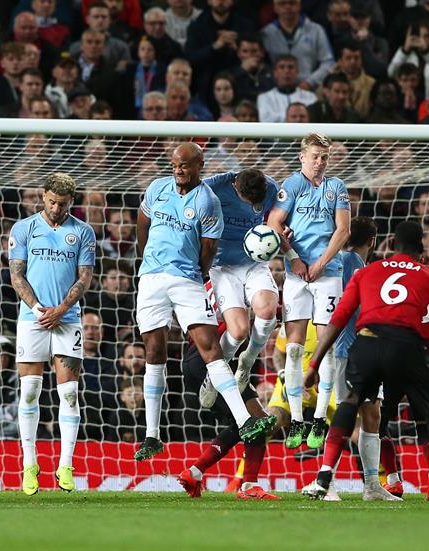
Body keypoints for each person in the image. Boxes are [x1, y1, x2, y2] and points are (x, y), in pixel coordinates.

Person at [303, 221, 429, 510]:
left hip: (367, 345)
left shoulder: (366, 272)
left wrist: (314, 362)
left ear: (391, 245)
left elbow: (340, 317)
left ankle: (325, 473)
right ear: (421, 248)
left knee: (352, 402)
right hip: (408, 349)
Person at [134, 142, 276, 461]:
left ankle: (245, 419)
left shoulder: (209, 201)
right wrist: (146, 260)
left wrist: (195, 275)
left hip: (187, 280)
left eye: (184, 165)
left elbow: (208, 250)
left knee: (210, 347)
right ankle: (152, 435)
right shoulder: (157, 188)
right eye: (174, 165)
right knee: (154, 352)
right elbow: (143, 223)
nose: (178, 170)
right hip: (152, 279)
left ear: (200, 165)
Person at [299, 216, 399, 502]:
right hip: (349, 351)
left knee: (371, 414)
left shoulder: (340, 263)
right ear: (373, 240)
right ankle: (326, 482)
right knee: (348, 416)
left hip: (353, 350)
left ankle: (371, 486)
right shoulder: (353, 264)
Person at [8, 173, 96, 495]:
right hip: (32, 320)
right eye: (52, 202)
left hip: (68, 318)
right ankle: (29, 464)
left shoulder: (83, 233)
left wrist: (60, 309)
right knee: (29, 391)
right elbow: (17, 277)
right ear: (43, 196)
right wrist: (37, 310)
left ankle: (65, 465)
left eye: (63, 204)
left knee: (69, 394)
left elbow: (84, 279)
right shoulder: (23, 229)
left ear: (72, 202)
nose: (57, 208)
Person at [266, 132, 351, 449]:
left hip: (327, 275)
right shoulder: (291, 186)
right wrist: (294, 258)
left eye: (324, 157)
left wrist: (318, 265)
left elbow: (343, 230)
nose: (319, 162)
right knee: (294, 349)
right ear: (302, 157)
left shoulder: (336, 188)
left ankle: (318, 419)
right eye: (314, 156)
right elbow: (274, 222)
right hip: (296, 275)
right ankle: (298, 421)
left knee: (324, 346)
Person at [196, 169, 279, 407]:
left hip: (255, 261)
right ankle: (213, 377)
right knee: (239, 330)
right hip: (221, 267)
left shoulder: (270, 188)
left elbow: (281, 216)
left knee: (266, 311)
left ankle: (247, 362)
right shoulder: (212, 187)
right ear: (235, 187)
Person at [177, 328, 278, 500]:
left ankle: (194, 473)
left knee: (249, 422)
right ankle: (249, 486)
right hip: (212, 360)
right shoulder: (236, 304)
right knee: (255, 421)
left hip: (206, 359)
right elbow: (247, 322)